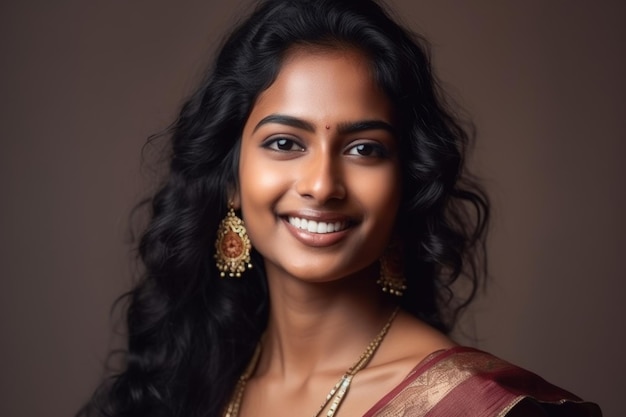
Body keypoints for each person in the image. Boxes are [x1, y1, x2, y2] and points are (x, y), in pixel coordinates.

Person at [79, 0, 602, 416]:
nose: (323, 185)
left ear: (406, 183)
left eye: (364, 149)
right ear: (231, 180)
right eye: (285, 143)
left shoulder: (478, 406)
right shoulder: (194, 385)